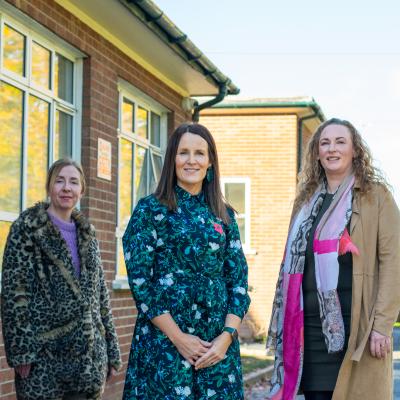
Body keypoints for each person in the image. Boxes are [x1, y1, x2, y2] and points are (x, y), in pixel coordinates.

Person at [266, 118, 400, 400]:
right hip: (311, 332)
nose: (332, 149)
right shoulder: (305, 201)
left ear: (355, 150)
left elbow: (393, 262)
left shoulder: (376, 196)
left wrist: (382, 326)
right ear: (316, 152)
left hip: (359, 329)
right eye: (325, 143)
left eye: (341, 142)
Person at [122, 122, 251, 399]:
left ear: (210, 162)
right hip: (164, 344)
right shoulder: (150, 210)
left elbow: (238, 282)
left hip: (216, 349)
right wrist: (179, 339)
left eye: (199, 153)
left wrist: (226, 337)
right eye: (183, 153)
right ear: (172, 159)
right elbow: (141, 282)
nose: (191, 160)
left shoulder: (225, 215)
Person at [1, 158, 121, 400]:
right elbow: (14, 295)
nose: (67, 188)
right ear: (49, 187)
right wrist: (22, 352)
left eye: (74, 182)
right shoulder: (27, 230)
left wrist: (111, 349)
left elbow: (101, 296)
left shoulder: (88, 234)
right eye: (60, 181)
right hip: (44, 362)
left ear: (81, 190)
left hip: (88, 361)